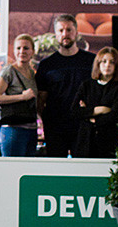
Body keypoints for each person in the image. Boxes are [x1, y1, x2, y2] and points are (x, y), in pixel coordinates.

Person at [36, 14, 95, 157]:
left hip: (83, 125)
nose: (65, 34)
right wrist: (43, 121)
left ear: (76, 33)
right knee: (55, 169)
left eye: (69, 30)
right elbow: (41, 99)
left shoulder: (91, 61)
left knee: (83, 169)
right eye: (61, 30)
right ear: (56, 34)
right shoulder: (46, 65)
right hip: (55, 126)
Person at [72, 47, 118, 158]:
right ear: (98, 64)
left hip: (109, 143)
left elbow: (114, 115)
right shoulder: (86, 85)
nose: (107, 65)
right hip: (85, 142)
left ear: (117, 66)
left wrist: (89, 116)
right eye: (104, 61)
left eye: (112, 62)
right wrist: (99, 110)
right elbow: (74, 111)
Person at [0, 33, 39, 157]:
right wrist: (21, 97)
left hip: (31, 129)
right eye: (18, 48)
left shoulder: (33, 73)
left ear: (33, 51)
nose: (22, 51)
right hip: (13, 129)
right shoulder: (9, 71)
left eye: (26, 48)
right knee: (12, 169)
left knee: (28, 171)